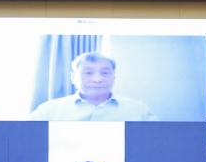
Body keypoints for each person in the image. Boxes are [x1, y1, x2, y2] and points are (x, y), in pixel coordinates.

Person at [29, 52, 159, 121]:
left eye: (105, 73)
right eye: (88, 73)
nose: (97, 79)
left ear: (114, 77)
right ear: (73, 77)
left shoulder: (139, 110)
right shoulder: (48, 111)